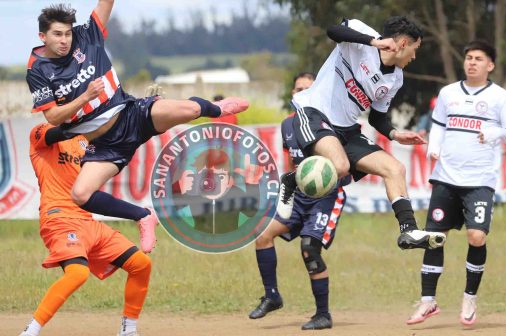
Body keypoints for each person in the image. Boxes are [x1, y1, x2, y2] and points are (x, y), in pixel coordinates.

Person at [26, 2, 249, 253]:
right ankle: (143, 216)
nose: (65, 40)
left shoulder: (86, 35)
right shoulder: (37, 70)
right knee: (80, 195)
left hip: (132, 113)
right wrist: (85, 97)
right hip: (105, 143)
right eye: (57, 34)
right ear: (42, 37)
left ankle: (218, 108)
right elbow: (54, 117)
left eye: (67, 33)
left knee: (192, 110)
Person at [279, 16, 445, 250]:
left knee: (395, 169)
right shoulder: (362, 35)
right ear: (403, 44)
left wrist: (396, 134)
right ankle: (290, 180)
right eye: (415, 50)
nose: (414, 57)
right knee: (340, 166)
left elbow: (377, 117)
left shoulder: (395, 79)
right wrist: (373, 42)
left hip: (346, 129)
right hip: (315, 112)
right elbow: (333, 30)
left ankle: (408, 231)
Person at [406, 40, 506, 326]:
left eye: (478, 59)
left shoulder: (501, 98)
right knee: (434, 237)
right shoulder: (448, 93)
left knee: (477, 237)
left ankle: (470, 296)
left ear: (490, 65)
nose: (472, 62)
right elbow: (439, 126)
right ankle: (427, 301)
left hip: (479, 180)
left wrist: (494, 132)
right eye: (468, 57)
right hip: (446, 177)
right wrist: (434, 147)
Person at [20, 123, 152, 336]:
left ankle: (128, 330)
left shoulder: (86, 140)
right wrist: (88, 113)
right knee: (78, 273)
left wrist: (142, 117)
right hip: (59, 217)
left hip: (86, 220)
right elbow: (58, 132)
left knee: (141, 264)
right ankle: (30, 332)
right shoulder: (41, 131)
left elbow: (119, 139)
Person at [248, 112, 351, 330]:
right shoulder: (287, 124)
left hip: (326, 197)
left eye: (305, 88)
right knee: (262, 234)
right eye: (298, 89)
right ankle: (272, 296)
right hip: (299, 196)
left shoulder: (328, 122)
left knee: (309, 250)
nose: (301, 93)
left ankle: (323, 315)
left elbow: (345, 162)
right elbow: (291, 165)